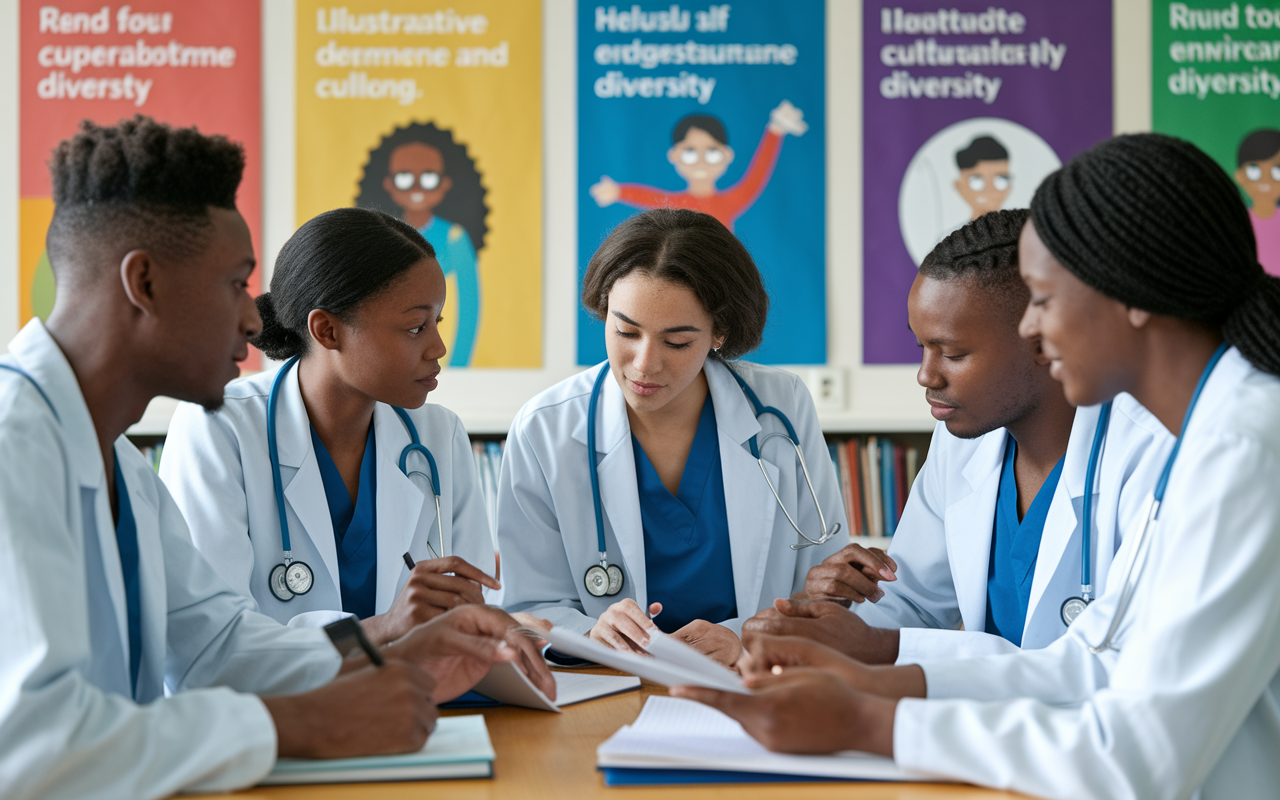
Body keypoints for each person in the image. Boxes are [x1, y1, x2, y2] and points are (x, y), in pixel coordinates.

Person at [675, 133, 1280, 799]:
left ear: (1133, 295)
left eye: (1044, 300)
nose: (1032, 331)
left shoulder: (1242, 448)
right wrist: (867, 677)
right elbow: (1090, 667)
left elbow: (1137, 755)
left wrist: (871, 719)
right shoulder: (1215, 430)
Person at [0, 116, 552, 800]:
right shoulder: (12, 447)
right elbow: (30, 745)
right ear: (144, 283)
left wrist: (392, 644)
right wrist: (298, 724)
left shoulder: (111, 456)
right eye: (235, 284)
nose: (255, 321)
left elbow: (217, 647)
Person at [742, 210, 1173, 663]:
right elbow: (914, 603)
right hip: (983, 721)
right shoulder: (962, 440)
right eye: (921, 347)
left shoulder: (1148, 454)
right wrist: (835, 617)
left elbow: (1118, 668)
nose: (926, 376)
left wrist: (885, 648)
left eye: (952, 353)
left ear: (1043, 340)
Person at [496, 209, 846, 667]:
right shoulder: (544, 428)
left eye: (676, 342)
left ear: (719, 332)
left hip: (752, 680)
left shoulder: (782, 406)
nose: (644, 364)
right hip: (607, 686)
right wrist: (590, 632)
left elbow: (825, 586)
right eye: (625, 331)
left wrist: (744, 638)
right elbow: (528, 605)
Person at [160, 207, 497, 645]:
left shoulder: (439, 438)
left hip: (416, 702)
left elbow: (469, 616)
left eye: (437, 322)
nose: (438, 347)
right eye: (415, 327)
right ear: (327, 330)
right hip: (275, 711)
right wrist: (380, 630)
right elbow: (205, 644)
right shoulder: (219, 428)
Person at [356, 122, 486, 367]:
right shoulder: (380, 237)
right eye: (405, 177)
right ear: (389, 184)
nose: (416, 187)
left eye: (428, 178)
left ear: (445, 183)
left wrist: (458, 364)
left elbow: (469, 306)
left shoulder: (454, 237)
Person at [588, 102, 808, 233]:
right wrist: (619, 191)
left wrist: (775, 131)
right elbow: (650, 197)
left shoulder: (730, 203)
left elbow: (756, 177)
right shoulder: (677, 205)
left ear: (727, 156)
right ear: (674, 156)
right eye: (691, 153)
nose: (702, 161)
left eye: (711, 153)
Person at [1232, 128, 1280, 276]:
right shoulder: (1236, 221)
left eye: (1277, 170)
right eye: (1254, 170)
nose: (1266, 180)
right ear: (1240, 176)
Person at [953, 136, 1012, 222]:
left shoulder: (1020, 233)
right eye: (977, 181)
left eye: (1002, 180)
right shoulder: (951, 234)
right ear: (959, 186)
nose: (991, 190)